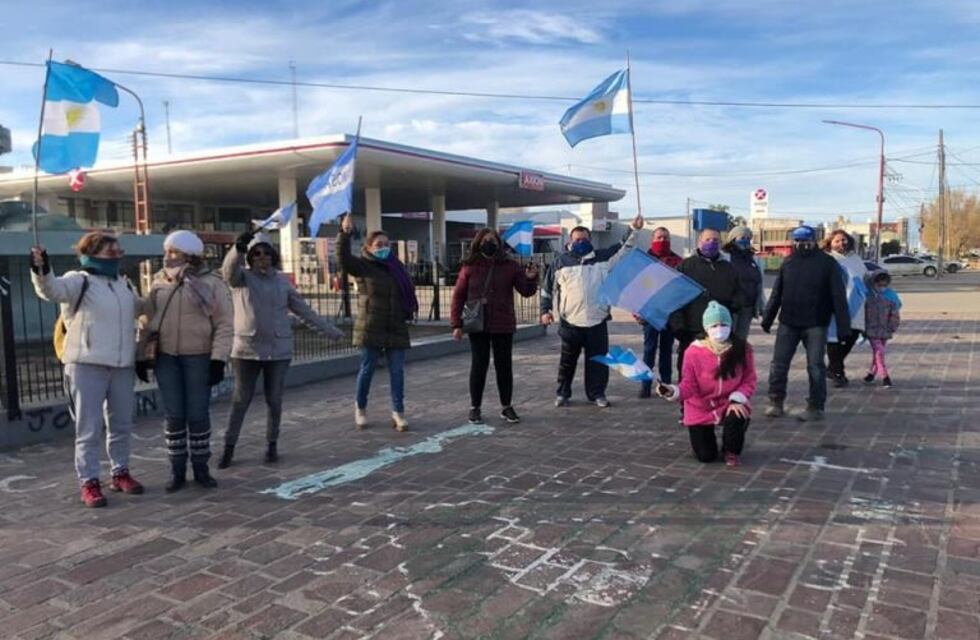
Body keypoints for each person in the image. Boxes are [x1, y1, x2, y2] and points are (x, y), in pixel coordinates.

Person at [30, 233, 145, 508]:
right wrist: (41, 269)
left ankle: (120, 472)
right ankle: (89, 481)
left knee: (121, 424)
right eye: (110, 252)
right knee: (89, 428)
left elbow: (142, 308)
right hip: (85, 364)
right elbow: (51, 290)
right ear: (92, 253)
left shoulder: (123, 284)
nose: (117, 256)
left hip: (121, 365)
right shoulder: (78, 280)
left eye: (119, 251)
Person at [218, 231, 344, 469]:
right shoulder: (242, 279)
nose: (262, 257)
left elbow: (304, 311)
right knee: (240, 400)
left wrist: (330, 331)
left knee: (274, 400)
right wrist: (237, 249)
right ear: (250, 257)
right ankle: (229, 447)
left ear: (273, 256)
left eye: (266, 253)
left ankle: (272, 444)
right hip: (247, 350)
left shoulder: (281, 282)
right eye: (256, 253)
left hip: (278, 351)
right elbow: (227, 272)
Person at [139, 230, 233, 491]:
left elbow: (225, 324)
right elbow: (147, 320)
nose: (167, 257)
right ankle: (177, 470)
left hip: (199, 358)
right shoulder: (159, 282)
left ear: (190, 256)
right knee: (174, 416)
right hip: (166, 358)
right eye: (166, 251)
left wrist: (217, 359)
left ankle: (201, 468)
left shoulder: (212, 283)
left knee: (198, 414)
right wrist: (141, 354)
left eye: (174, 252)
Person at [540, 214, 644, 408]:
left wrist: (635, 229)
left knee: (597, 362)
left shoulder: (604, 259)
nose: (581, 242)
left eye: (584, 239)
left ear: (590, 240)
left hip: (597, 321)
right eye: (577, 239)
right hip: (570, 323)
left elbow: (623, 247)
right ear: (570, 241)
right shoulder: (560, 263)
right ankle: (563, 393)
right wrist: (545, 311)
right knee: (567, 362)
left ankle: (596, 394)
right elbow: (547, 289)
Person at [761, 226, 850, 422]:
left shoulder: (828, 263)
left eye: (806, 240)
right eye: (798, 240)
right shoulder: (789, 262)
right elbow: (777, 293)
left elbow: (838, 296)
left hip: (816, 323)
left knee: (816, 366)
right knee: (778, 364)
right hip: (788, 322)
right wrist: (768, 318)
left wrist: (844, 327)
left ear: (814, 240)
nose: (802, 244)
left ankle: (816, 406)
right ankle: (775, 401)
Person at [450, 228, 539, 424]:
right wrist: (456, 324)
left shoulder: (510, 266)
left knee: (504, 366)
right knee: (479, 366)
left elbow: (525, 291)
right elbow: (458, 296)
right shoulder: (469, 266)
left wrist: (531, 278)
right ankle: (475, 407)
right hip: (477, 323)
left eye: (493, 240)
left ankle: (506, 406)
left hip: (503, 323)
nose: (489, 243)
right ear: (478, 243)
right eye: (485, 240)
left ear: (499, 244)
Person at [338, 214, 418, 431]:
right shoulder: (363, 266)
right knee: (367, 369)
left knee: (397, 371)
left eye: (386, 244)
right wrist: (345, 234)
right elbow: (344, 260)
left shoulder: (397, 267)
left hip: (395, 326)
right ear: (369, 247)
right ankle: (361, 408)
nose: (383, 248)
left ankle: (398, 412)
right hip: (371, 325)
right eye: (378, 245)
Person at [656, 301, 756, 466]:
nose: (719, 329)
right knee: (706, 456)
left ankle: (731, 450)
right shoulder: (693, 352)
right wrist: (672, 391)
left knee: (737, 415)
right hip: (700, 406)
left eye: (723, 324)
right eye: (714, 325)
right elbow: (688, 385)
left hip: (729, 402)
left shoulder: (742, 349)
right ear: (706, 328)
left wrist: (737, 399)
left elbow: (749, 379)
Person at [670, 227, 743, 379]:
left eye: (716, 240)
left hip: (719, 332)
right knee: (689, 374)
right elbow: (673, 299)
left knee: (717, 374)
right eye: (708, 239)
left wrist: (733, 311)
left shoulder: (729, 268)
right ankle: (688, 403)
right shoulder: (686, 267)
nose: (712, 243)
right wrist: (679, 328)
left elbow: (738, 295)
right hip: (691, 331)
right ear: (699, 242)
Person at [636, 227, 682, 398]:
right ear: (652, 239)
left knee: (666, 351)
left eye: (666, 237)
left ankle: (666, 385)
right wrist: (637, 312)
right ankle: (645, 385)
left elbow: (681, 289)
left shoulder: (677, 261)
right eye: (659, 237)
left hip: (669, 314)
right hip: (649, 314)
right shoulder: (643, 261)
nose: (662, 240)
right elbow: (636, 289)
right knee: (648, 350)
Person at [823, 230, 868, 387]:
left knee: (852, 334)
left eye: (844, 240)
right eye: (837, 241)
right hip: (833, 304)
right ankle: (838, 372)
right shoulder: (826, 259)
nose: (842, 243)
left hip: (856, 304)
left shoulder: (855, 259)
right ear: (830, 243)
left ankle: (833, 367)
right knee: (834, 339)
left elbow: (864, 277)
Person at [722, 226, 765, 341]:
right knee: (727, 339)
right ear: (733, 238)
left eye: (748, 237)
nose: (745, 240)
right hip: (731, 307)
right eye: (742, 237)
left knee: (741, 341)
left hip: (748, 307)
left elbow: (759, 283)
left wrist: (761, 305)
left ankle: (739, 359)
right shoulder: (725, 257)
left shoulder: (755, 259)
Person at [863, 270, 901, 388]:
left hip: (885, 330)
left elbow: (895, 315)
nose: (882, 288)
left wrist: (892, 327)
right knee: (879, 353)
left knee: (877, 353)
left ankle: (871, 374)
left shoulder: (891, 297)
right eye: (879, 285)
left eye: (884, 285)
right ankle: (885, 376)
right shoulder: (867, 296)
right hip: (871, 330)